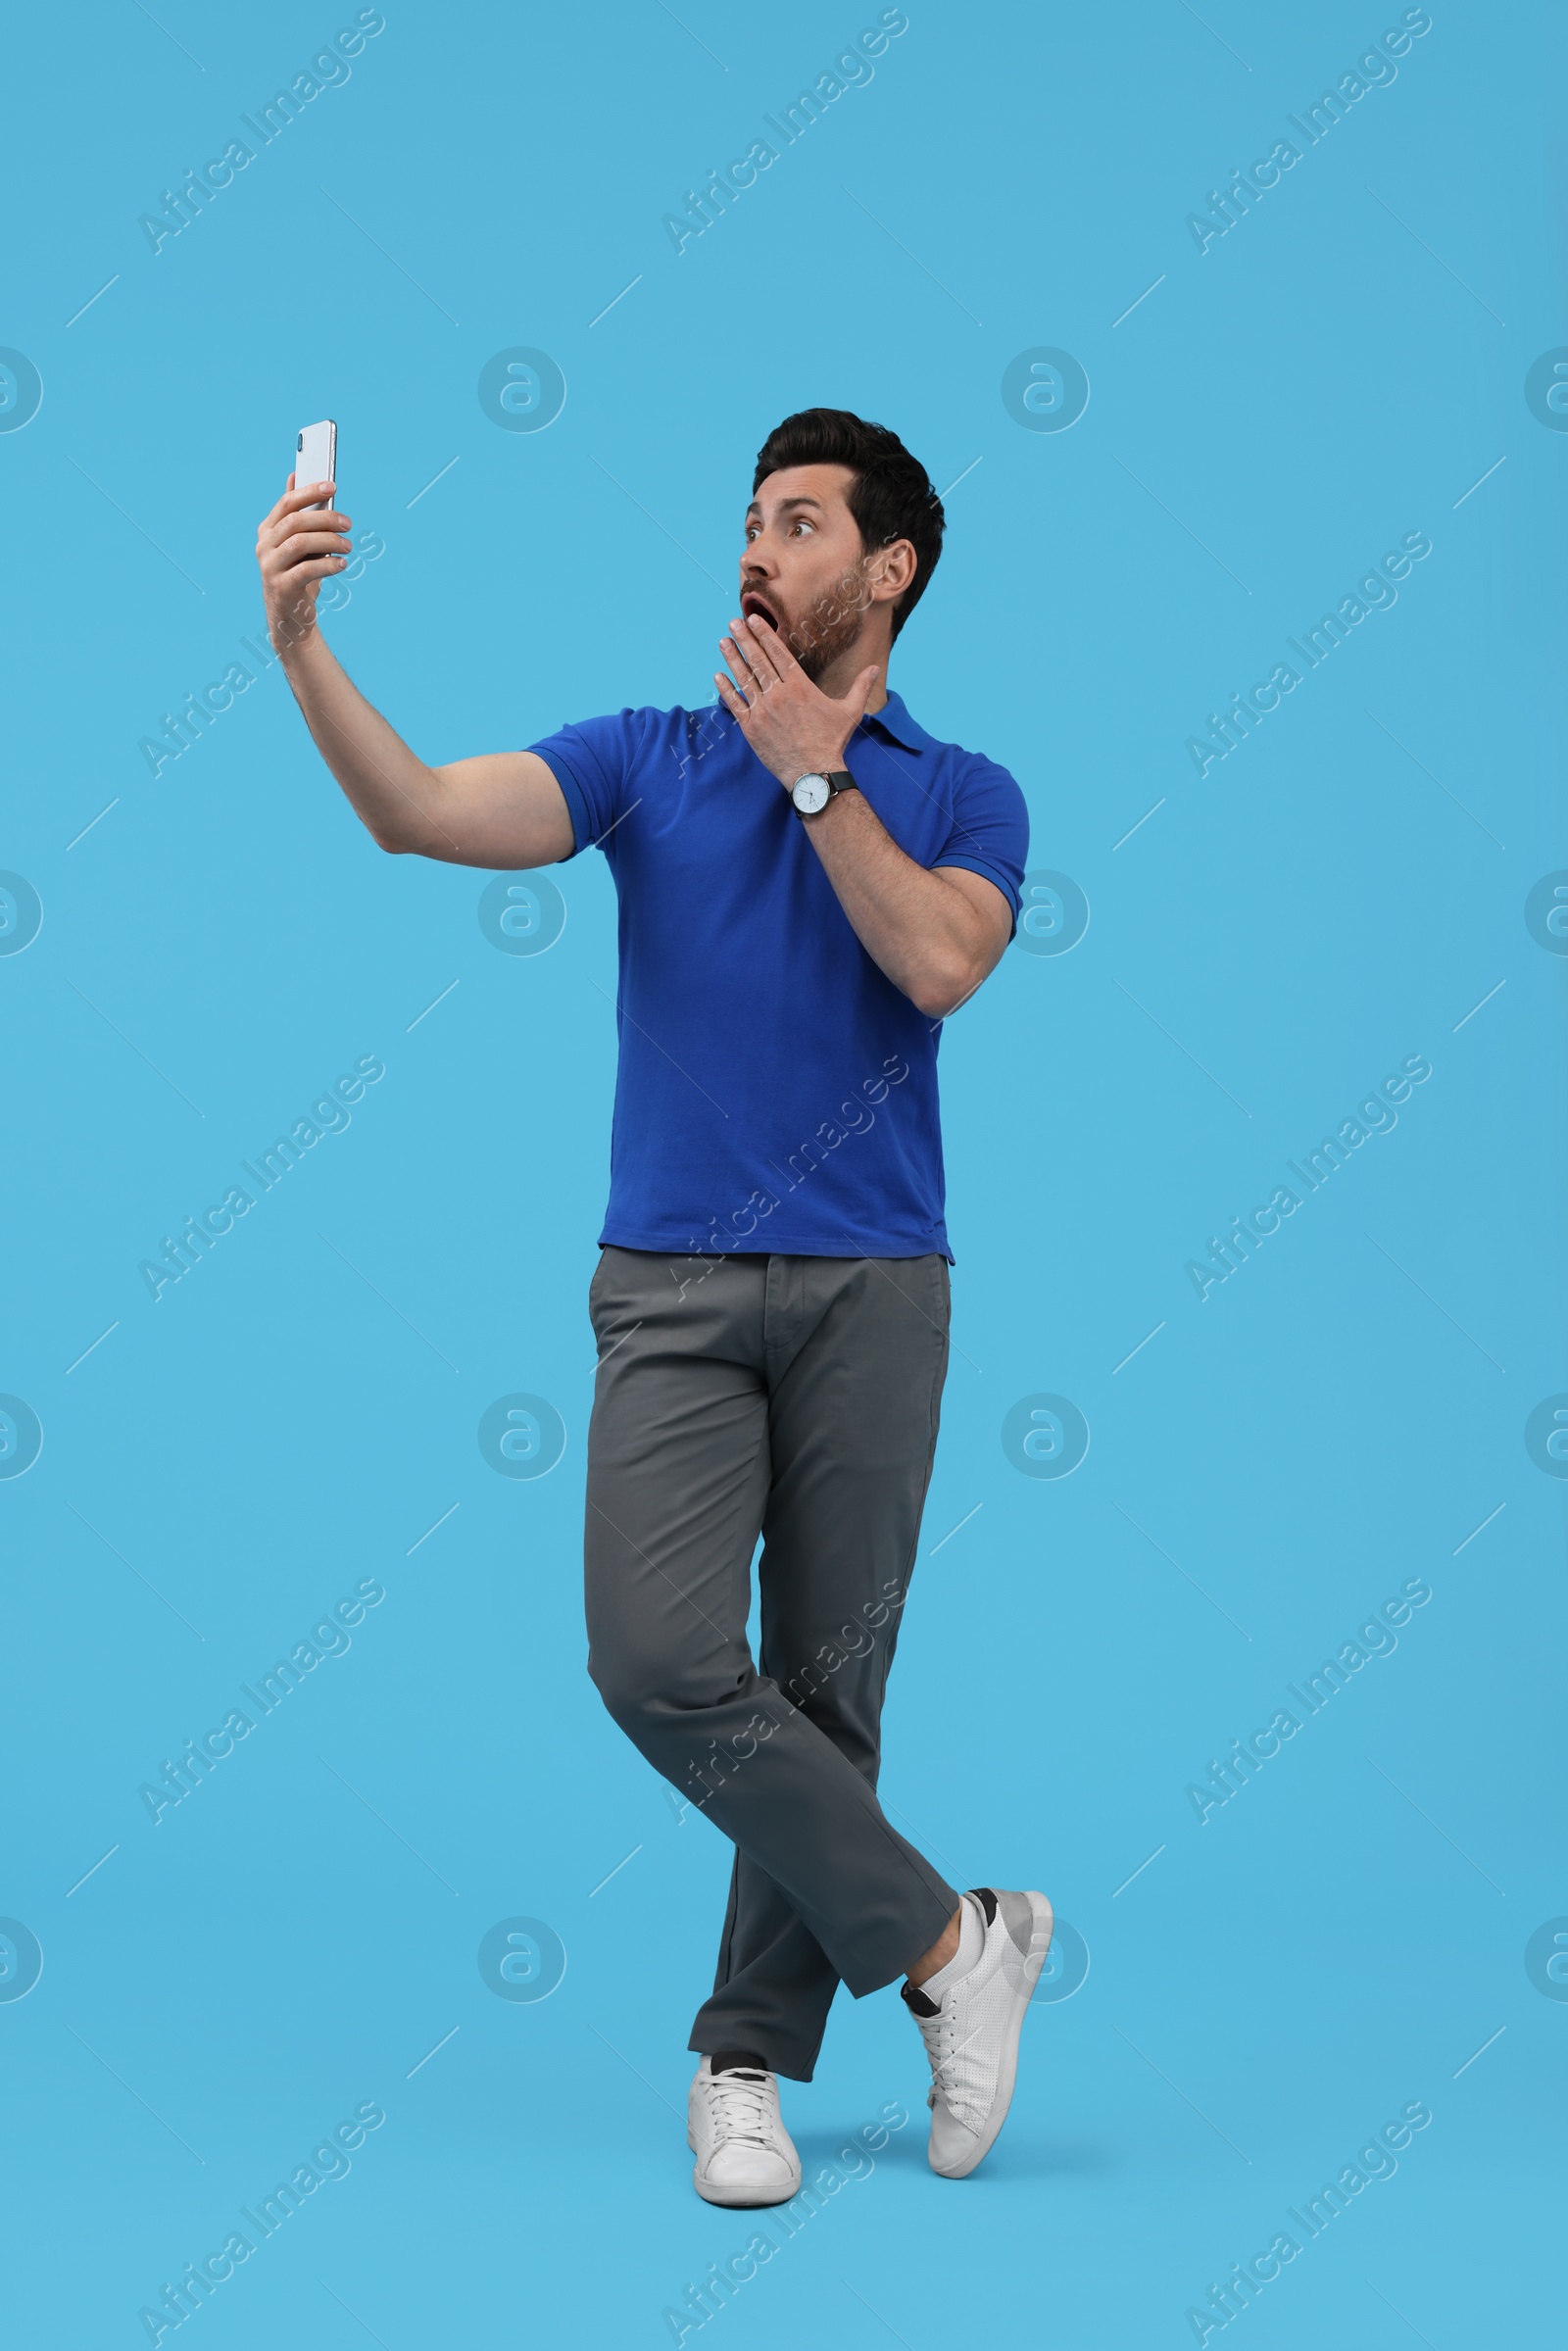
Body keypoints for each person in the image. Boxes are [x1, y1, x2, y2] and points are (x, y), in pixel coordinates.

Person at [255, 406, 1052, 2203]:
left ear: (889, 567)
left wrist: (818, 777)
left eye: (799, 521)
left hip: (877, 1288)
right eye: (751, 519)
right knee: (659, 1660)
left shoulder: (967, 789)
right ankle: (953, 1947)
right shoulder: (645, 759)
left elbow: (938, 961)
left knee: (828, 1692)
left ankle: (747, 2061)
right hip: (674, 1286)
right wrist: (306, 645)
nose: (759, 550)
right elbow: (418, 814)